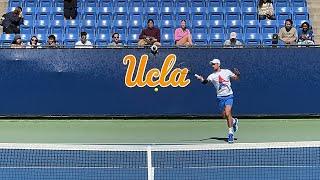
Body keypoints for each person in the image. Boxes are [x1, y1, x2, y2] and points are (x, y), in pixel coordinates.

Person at [195, 59, 240, 143]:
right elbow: (205, 82)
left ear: (218, 64)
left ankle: (230, 134)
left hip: (229, 96)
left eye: (214, 64)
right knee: (225, 116)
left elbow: (236, 78)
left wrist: (238, 74)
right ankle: (234, 121)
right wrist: (201, 79)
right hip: (220, 97)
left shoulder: (226, 71)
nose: (212, 65)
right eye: (212, 64)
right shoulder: (211, 76)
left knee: (227, 113)